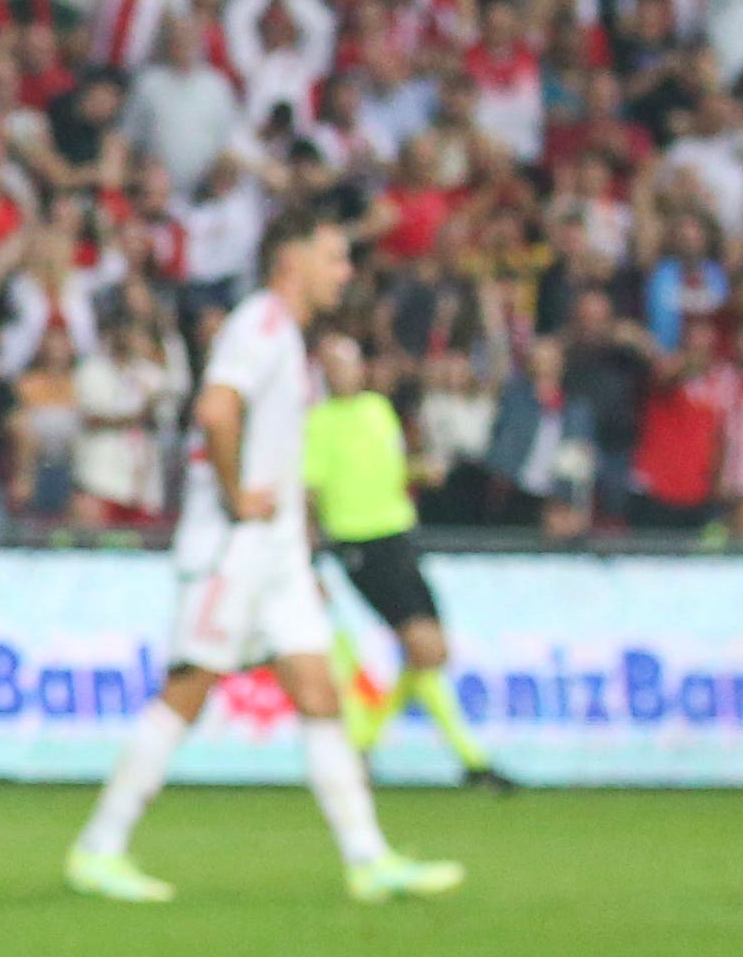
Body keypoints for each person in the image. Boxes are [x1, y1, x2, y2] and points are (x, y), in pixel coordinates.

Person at [63, 208, 464, 905]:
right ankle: (99, 845)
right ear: (292, 261)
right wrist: (235, 494)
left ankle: (367, 859)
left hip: (275, 552)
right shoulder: (261, 325)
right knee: (187, 689)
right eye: (334, 258)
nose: (344, 273)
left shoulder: (288, 339)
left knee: (317, 689)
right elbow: (216, 410)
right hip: (232, 547)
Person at [307, 333, 513, 791]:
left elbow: (392, 469)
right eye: (333, 365)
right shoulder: (318, 424)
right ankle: (471, 761)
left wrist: (420, 471)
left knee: (433, 652)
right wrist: (310, 561)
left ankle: (363, 741)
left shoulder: (379, 412)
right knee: (423, 648)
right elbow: (309, 494)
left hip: (398, 537)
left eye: (349, 362)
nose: (342, 372)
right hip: (358, 543)